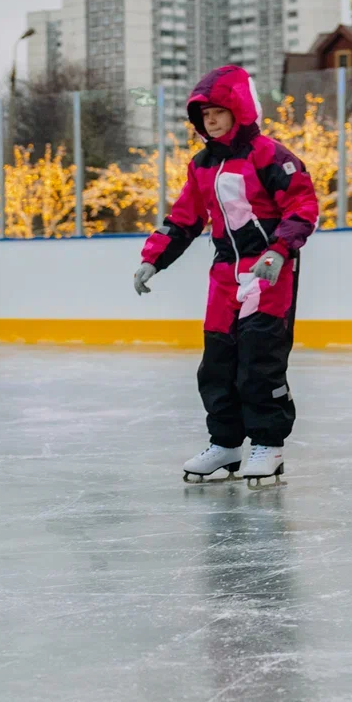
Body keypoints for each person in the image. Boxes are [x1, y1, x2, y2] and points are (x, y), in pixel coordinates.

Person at [134, 64, 317, 489]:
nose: (210, 120)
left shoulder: (270, 155)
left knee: (259, 359)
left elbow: (302, 207)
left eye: (217, 111)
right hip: (224, 274)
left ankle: (268, 445)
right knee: (216, 363)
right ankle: (226, 444)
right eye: (203, 115)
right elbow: (183, 219)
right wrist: (153, 259)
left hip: (267, 271)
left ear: (239, 108)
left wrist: (278, 251)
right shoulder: (201, 166)